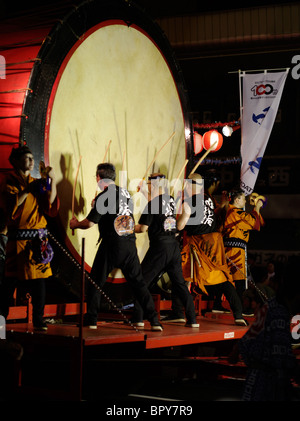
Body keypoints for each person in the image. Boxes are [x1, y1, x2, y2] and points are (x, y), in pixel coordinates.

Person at [69, 163, 163, 331]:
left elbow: (89, 223)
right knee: (139, 284)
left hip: (112, 244)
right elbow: (120, 213)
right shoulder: (125, 192)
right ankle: (155, 321)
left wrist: (75, 224)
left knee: (95, 282)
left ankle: (91, 320)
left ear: (99, 178)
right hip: (129, 244)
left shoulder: (103, 196)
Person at [0, 145, 59, 330]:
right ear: (16, 161)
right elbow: (10, 208)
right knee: (9, 284)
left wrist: (52, 181)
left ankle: (39, 319)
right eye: (27, 157)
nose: (32, 161)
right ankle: (1, 319)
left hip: (37, 242)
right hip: (17, 242)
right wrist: (27, 190)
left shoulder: (36, 181)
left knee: (39, 283)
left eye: (33, 157)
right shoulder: (9, 182)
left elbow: (50, 205)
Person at [177, 173, 247, 326]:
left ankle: (178, 313)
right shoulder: (207, 198)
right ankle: (238, 314)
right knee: (222, 278)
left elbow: (181, 225)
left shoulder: (190, 201)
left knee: (182, 276)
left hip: (200, 242)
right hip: (214, 242)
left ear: (189, 185)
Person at [132, 173, 199, 328]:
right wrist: (143, 192)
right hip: (173, 246)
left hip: (160, 247)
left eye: (148, 183)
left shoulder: (153, 204)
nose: (147, 185)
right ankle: (192, 319)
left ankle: (138, 318)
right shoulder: (169, 201)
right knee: (180, 284)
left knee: (141, 281)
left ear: (153, 186)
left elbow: (142, 228)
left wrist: (125, 228)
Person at [229, 261, 300, 401]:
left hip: (254, 379)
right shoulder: (280, 312)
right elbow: (280, 358)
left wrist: (236, 351)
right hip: (266, 383)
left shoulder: (270, 305)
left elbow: (246, 339)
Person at [222, 189, 265, 310]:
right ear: (236, 200)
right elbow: (255, 223)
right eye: (243, 198)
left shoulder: (235, 212)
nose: (245, 201)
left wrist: (256, 209)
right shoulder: (234, 212)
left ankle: (224, 306)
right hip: (233, 249)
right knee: (237, 279)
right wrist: (257, 208)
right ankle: (239, 309)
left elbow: (256, 222)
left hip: (236, 248)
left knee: (231, 279)